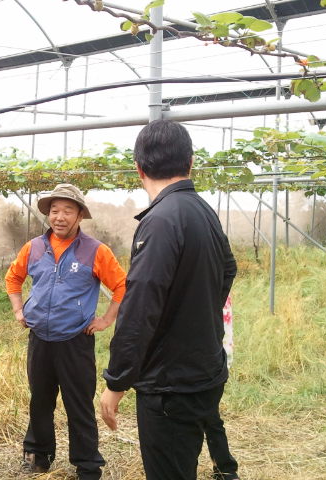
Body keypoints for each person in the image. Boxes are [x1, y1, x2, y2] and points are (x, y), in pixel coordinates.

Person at [100, 120, 238, 480]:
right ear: (190, 163)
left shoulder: (160, 220)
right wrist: (196, 313)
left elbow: (140, 307)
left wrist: (116, 382)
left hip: (170, 385)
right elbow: (228, 269)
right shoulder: (203, 211)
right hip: (202, 372)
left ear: (139, 168)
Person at [5, 183, 127, 480]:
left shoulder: (96, 251)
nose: (59, 217)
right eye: (54, 210)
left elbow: (123, 286)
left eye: (67, 211)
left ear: (80, 216)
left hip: (76, 340)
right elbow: (13, 278)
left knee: (79, 403)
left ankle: (87, 465)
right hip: (40, 339)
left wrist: (107, 319)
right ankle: (38, 455)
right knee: (40, 399)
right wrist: (19, 310)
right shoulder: (33, 247)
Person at [203, 296, 239, 480]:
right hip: (219, 359)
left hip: (210, 360)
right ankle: (225, 468)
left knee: (209, 415)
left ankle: (225, 468)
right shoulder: (217, 278)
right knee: (211, 416)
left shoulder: (207, 287)